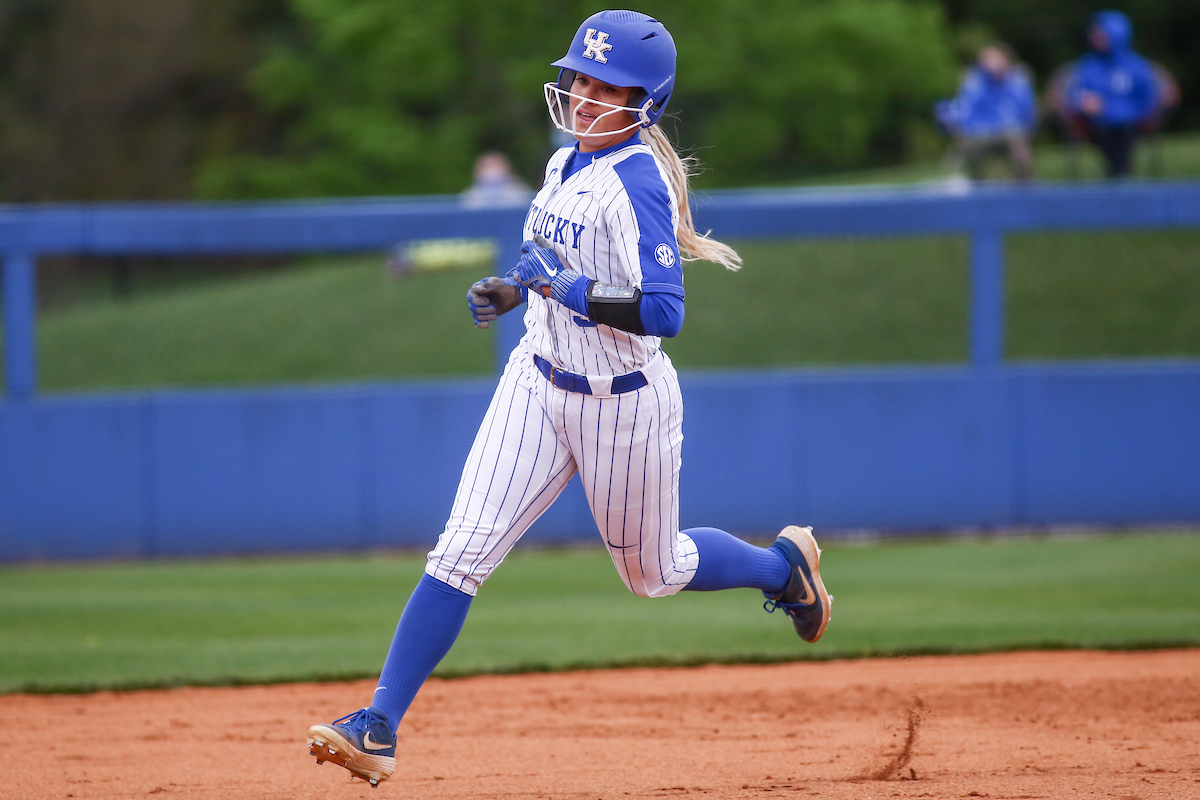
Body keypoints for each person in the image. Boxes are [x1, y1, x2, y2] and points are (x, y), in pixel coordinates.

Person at [305, 10, 832, 788]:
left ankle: (782, 568)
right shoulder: (563, 166)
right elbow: (545, 261)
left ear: (643, 100)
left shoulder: (637, 183)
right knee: (461, 550)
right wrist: (516, 288)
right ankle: (378, 723)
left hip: (624, 403)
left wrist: (568, 289)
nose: (583, 94)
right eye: (580, 77)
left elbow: (665, 311)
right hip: (538, 379)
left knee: (653, 572)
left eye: (604, 84)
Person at [1063, 10, 1160, 178]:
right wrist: (1083, 102)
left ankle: (1119, 174)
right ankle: (1118, 175)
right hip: (1097, 123)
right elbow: (1075, 93)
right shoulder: (1088, 66)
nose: (1094, 40)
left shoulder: (1136, 65)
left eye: (1101, 36)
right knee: (1107, 133)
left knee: (1124, 132)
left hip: (1132, 122)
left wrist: (1139, 114)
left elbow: (1148, 96)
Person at [935, 44, 1036, 181]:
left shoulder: (1018, 82)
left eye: (998, 60)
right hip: (980, 133)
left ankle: (1026, 183)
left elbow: (1028, 113)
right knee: (969, 144)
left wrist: (1023, 127)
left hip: (1011, 132)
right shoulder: (974, 83)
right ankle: (977, 185)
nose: (994, 65)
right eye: (989, 60)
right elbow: (965, 113)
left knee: (1017, 140)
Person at [460, 151, 532, 208]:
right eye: (486, 166)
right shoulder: (469, 197)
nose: (492, 171)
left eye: (495, 165)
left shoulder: (521, 193)